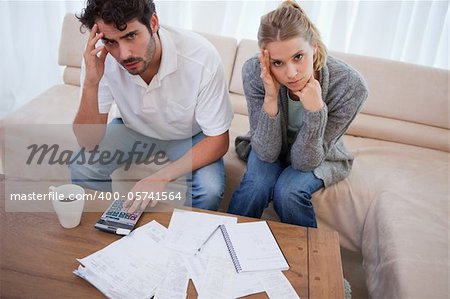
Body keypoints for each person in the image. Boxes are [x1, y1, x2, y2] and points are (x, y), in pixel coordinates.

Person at [70, 0, 233, 212]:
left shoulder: (201, 56)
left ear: (153, 22)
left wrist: (160, 178)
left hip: (189, 135)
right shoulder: (101, 59)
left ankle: (186, 239)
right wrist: (91, 83)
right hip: (133, 129)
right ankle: (106, 228)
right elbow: (87, 141)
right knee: (82, 165)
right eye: (111, 42)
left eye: (131, 36)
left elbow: (219, 140)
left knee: (209, 189)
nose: (124, 54)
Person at [227, 1, 368, 227]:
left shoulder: (350, 86)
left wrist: (315, 112)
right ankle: (221, 248)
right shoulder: (255, 72)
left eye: (298, 57)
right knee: (256, 186)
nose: (291, 73)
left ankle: (312, 260)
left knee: (289, 192)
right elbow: (265, 152)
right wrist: (271, 97)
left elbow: (305, 162)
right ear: (265, 58)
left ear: (314, 46)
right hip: (271, 146)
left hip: (320, 153)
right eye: (277, 63)